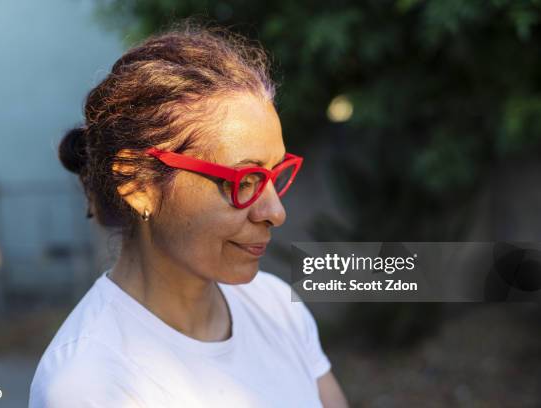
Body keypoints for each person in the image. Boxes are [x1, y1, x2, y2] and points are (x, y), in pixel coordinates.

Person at [29, 23, 349, 408]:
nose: (275, 212)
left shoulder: (275, 306)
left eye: (274, 174)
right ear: (137, 183)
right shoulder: (91, 383)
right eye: (244, 179)